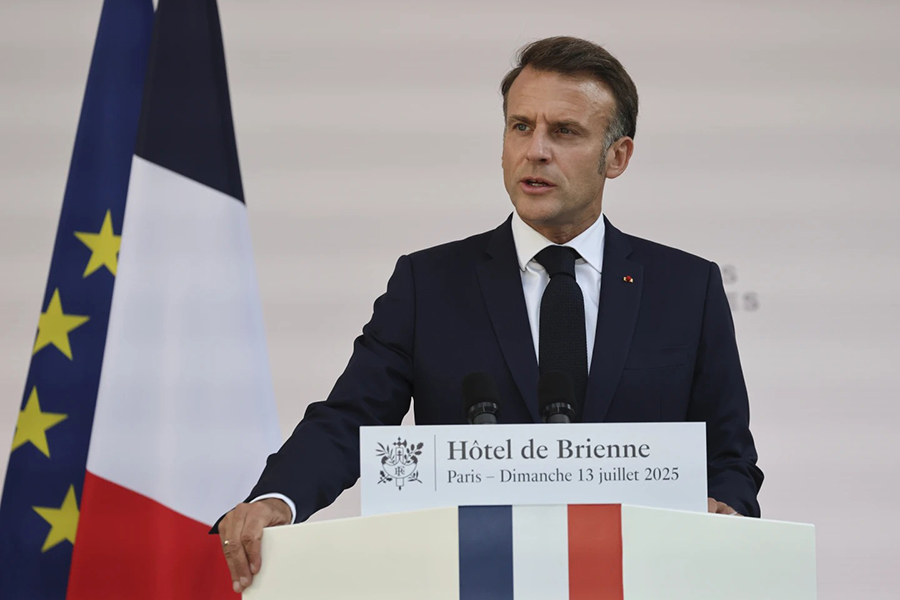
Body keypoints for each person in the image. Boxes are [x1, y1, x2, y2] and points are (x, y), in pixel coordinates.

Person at [217, 36, 763, 594]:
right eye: (520, 126)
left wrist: (730, 517)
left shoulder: (685, 287)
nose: (536, 150)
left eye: (565, 131)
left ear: (617, 156)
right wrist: (276, 498)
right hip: (472, 579)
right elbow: (349, 419)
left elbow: (729, 456)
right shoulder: (428, 284)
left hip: (640, 580)